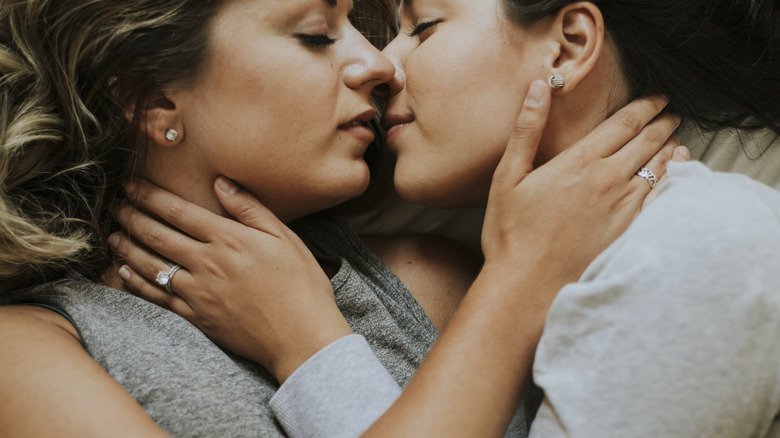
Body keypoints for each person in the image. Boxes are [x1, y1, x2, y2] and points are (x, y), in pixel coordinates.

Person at [0, 0, 678, 436]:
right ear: (152, 100)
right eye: (317, 35)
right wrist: (521, 278)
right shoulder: (28, 355)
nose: (380, 65)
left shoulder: (435, 277)